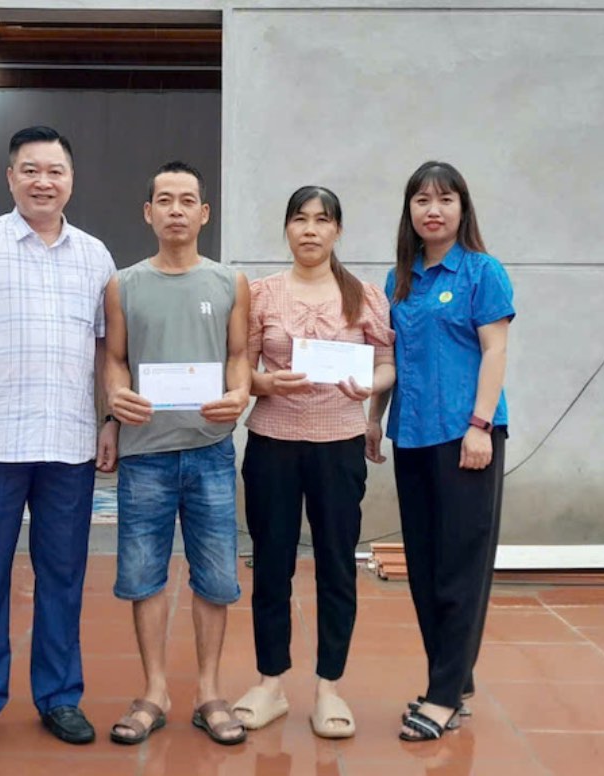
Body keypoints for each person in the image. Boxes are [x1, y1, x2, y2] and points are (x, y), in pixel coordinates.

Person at [0, 126, 117, 755]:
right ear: (11, 177)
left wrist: (110, 420)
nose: (44, 181)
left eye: (56, 171)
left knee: (63, 575)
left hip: (68, 444)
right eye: (31, 170)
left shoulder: (96, 256)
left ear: (72, 179)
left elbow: (105, 351)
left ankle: (60, 696)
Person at [231, 186, 396, 740]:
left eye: (322, 221)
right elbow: (241, 368)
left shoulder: (364, 295)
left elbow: (388, 360)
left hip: (340, 445)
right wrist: (263, 382)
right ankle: (270, 681)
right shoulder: (261, 294)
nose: (310, 230)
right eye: (299, 219)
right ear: (286, 229)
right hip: (272, 443)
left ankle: (329, 686)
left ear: (337, 231)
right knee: (271, 564)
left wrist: (369, 387)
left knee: (336, 563)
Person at [366, 161, 514, 742]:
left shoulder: (482, 272)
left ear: (462, 208)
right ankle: (455, 681)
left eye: (445, 199)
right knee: (426, 567)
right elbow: (390, 359)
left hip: (466, 437)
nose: (433, 210)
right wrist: (374, 420)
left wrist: (479, 425)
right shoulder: (398, 281)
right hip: (414, 434)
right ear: (409, 212)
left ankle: (445, 695)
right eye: (422, 200)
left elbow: (495, 352)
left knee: (461, 565)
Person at [104, 161, 250, 747]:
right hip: (146, 454)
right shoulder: (123, 284)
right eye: (164, 200)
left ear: (204, 212)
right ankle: (155, 690)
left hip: (211, 449)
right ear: (148, 212)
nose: (176, 210)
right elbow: (114, 356)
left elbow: (240, 353)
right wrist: (116, 396)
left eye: (187, 200)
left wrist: (238, 393)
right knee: (144, 576)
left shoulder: (228, 281)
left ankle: (210, 691)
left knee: (215, 577)